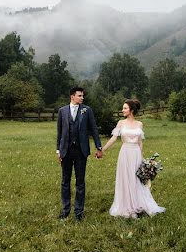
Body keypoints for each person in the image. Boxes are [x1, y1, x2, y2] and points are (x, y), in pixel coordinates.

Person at [101, 98, 165, 218]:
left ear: (131, 110)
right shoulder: (121, 123)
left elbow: (140, 142)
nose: (122, 110)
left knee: (136, 179)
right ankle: (127, 207)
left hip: (136, 153)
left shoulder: (139, 124)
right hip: (125, 153)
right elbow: (114, 138)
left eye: (125, 108)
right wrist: (103, 150)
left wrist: (141, 158)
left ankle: (138, 204)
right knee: (125, 178)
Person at [56, 86, 102, 220]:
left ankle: (78, 212)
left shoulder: (87, 110)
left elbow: (94, 129)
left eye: (82, 96)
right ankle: (65, 210)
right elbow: (59, 132)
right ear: (72, 97)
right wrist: (58, 150)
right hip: (66, 151)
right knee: (65, 181)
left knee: (80, 182)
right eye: (80, 96)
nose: (82, 98)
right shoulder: (62, 111)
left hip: (81, 151)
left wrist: (98, 147)